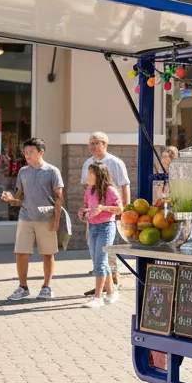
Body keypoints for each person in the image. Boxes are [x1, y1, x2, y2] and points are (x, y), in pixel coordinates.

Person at [1, 138, 64, 300]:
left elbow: (59, 198)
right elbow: (19, 199)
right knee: (21, 253)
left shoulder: (52, 171)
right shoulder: (23, 172)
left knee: (47, 254)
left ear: (41, 153)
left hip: (47, 218)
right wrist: (10, 199)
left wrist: (56, 220)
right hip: (25, 217)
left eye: (31, 152)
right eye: (25, 152)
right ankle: (23, 287)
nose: (27, 155)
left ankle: (47, 287)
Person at [82, 132, 131, 291]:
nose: (93, 146)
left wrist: (126, 211)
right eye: (91, 143)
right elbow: (87, 188)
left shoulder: (115, 162)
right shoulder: (87, 163)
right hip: (94, 216)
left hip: (112, 212)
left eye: (96, 143)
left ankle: (112, 285)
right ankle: (104, 285)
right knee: (96, 251)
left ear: (105, 145)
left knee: (108, 251)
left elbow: (124, 186)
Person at [80, 162, 122, 309]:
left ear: (98, 175)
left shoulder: (110, 191)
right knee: (99, 261)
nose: (87, 176)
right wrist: (83, 212)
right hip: (92, 227)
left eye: (90, 174)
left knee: (100, 262)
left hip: (106, 227)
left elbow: (120, 209)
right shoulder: (89, 190)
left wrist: (103, 208)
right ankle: (111, 292)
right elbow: (86, 206)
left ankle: (98, 297)